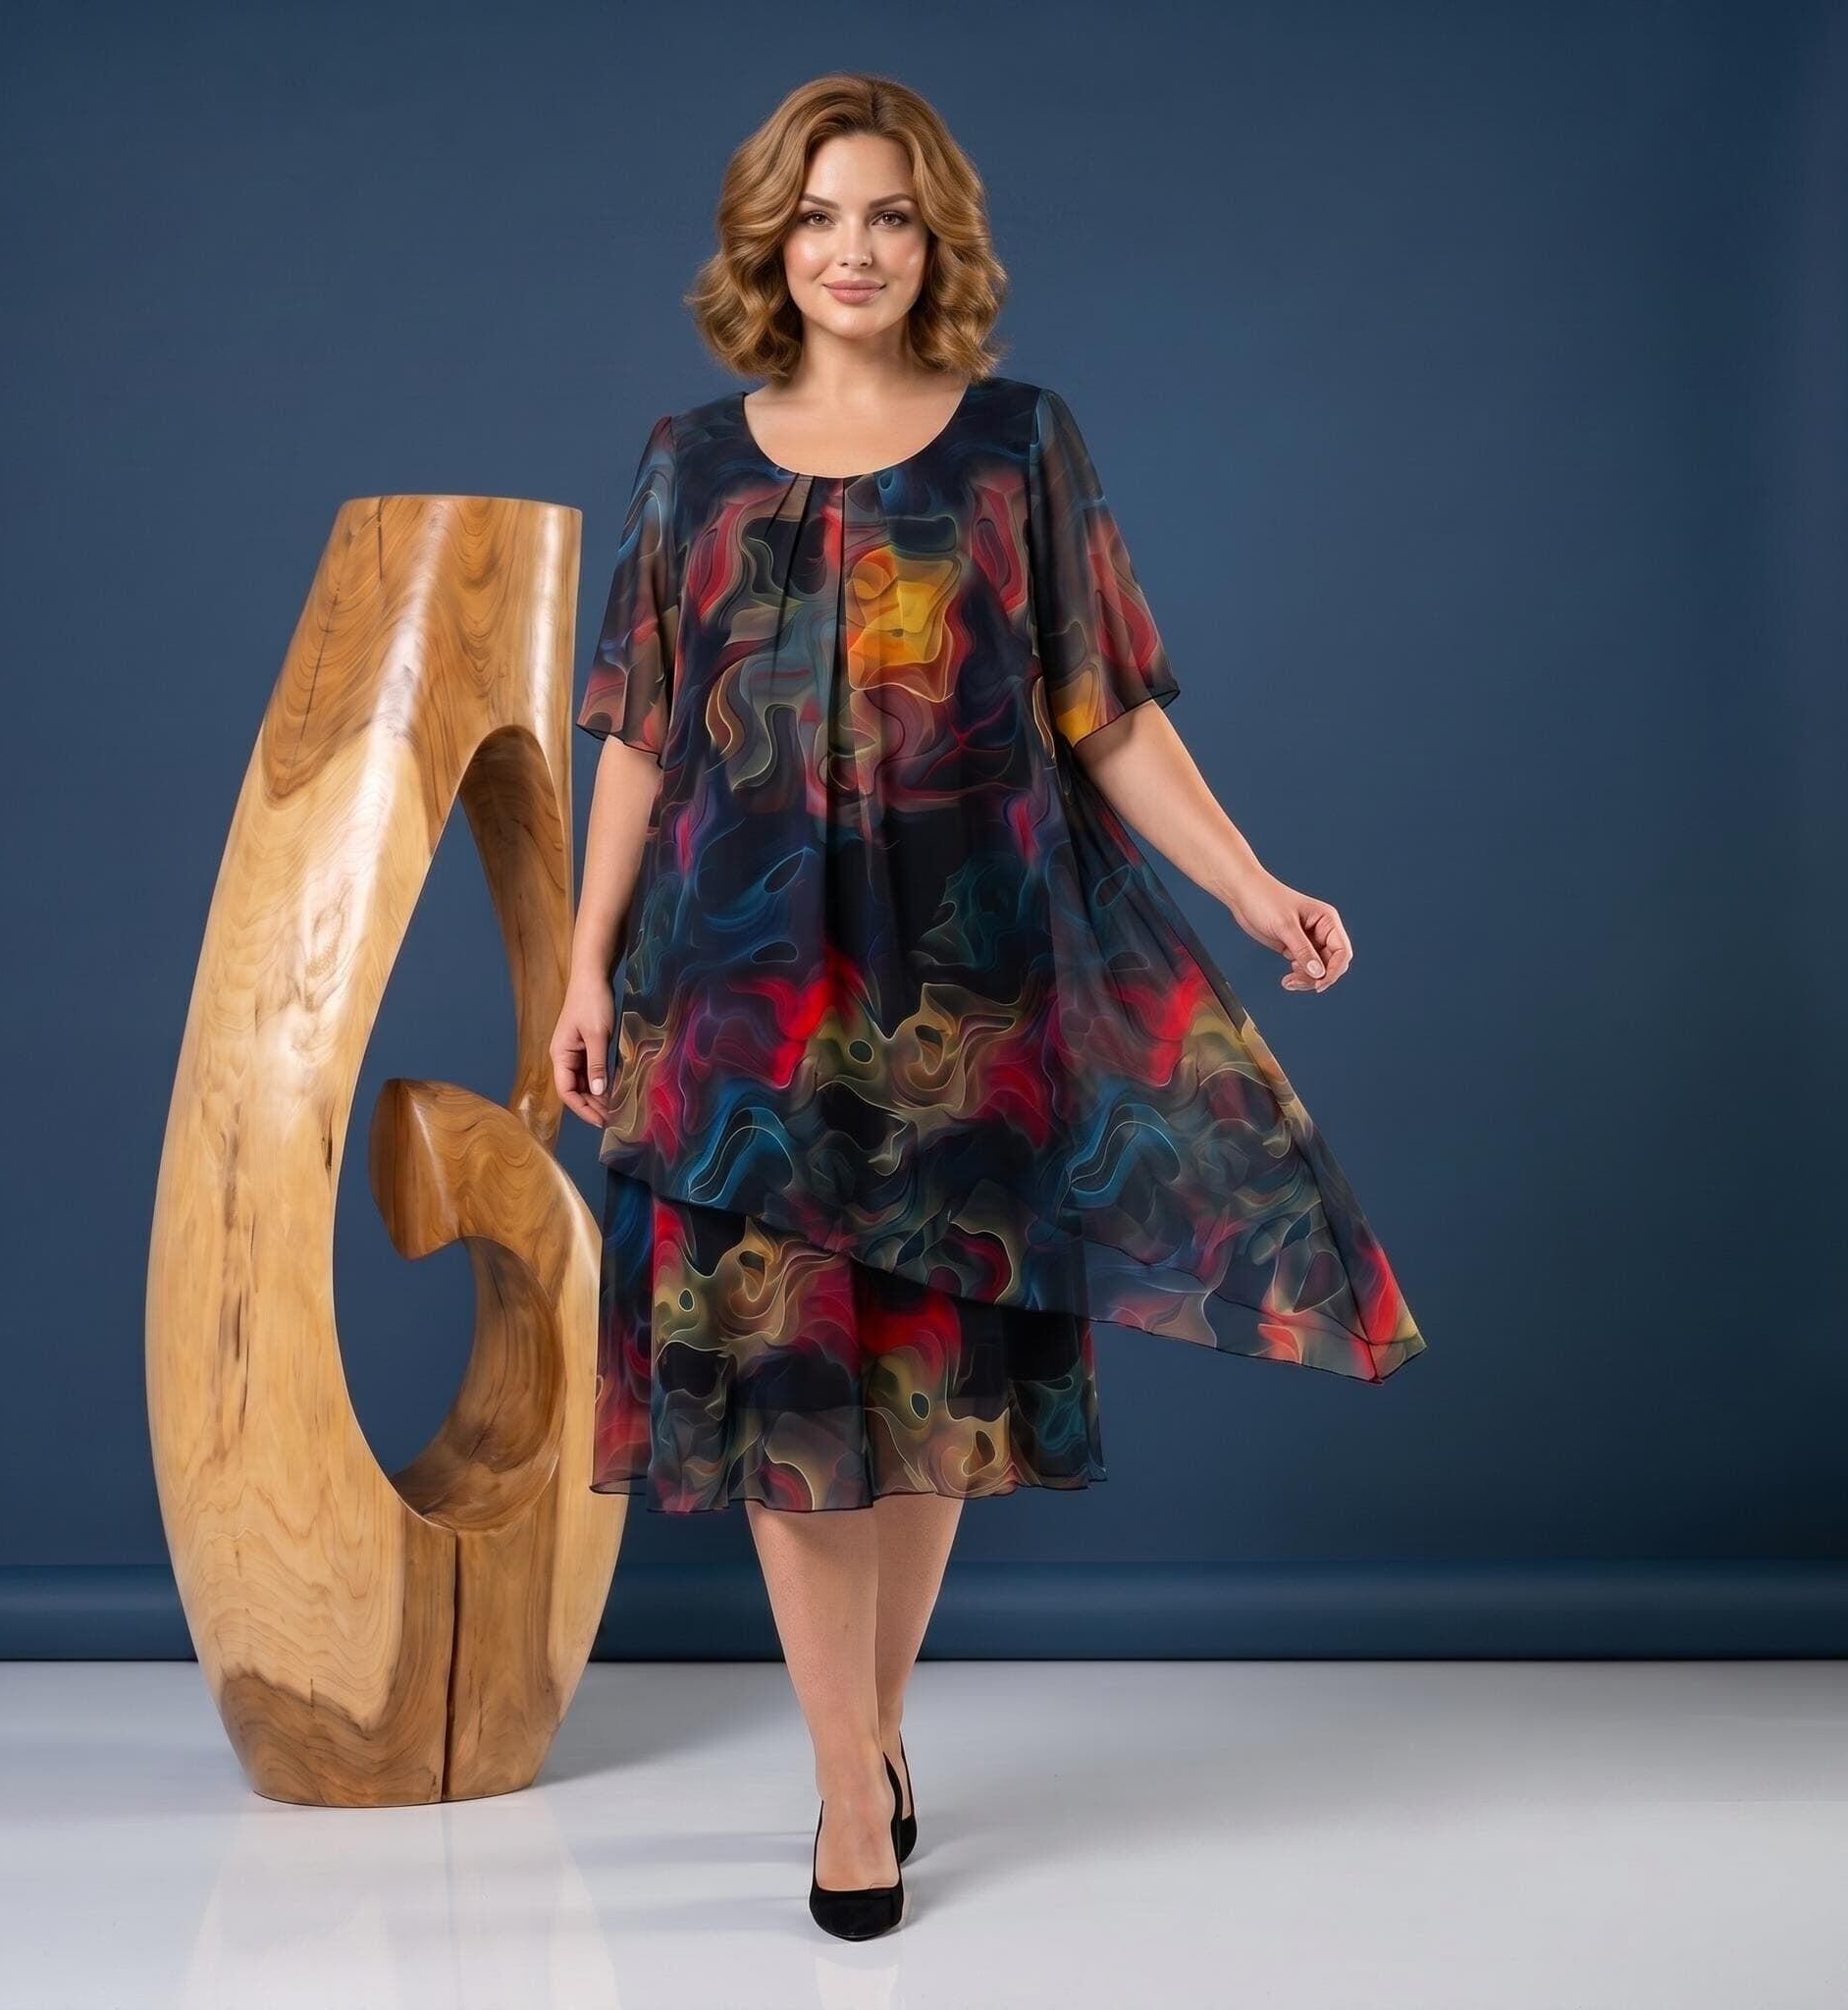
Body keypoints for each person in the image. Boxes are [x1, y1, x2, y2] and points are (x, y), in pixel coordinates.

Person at [550, 71, 1427, 1939]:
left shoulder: (1021, 445)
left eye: (887, 216)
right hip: (737, 1009)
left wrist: (1255, 888)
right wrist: (578, 960)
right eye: (818, 218)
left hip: (964, 993)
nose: (852, 251)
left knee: (928, 1384)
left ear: (932, 240)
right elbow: (633, 730)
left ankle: (870, 1739)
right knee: (790, 1385)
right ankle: (844, 1790)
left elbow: (1107, 715)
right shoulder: (687, 462)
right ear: (770, 243)